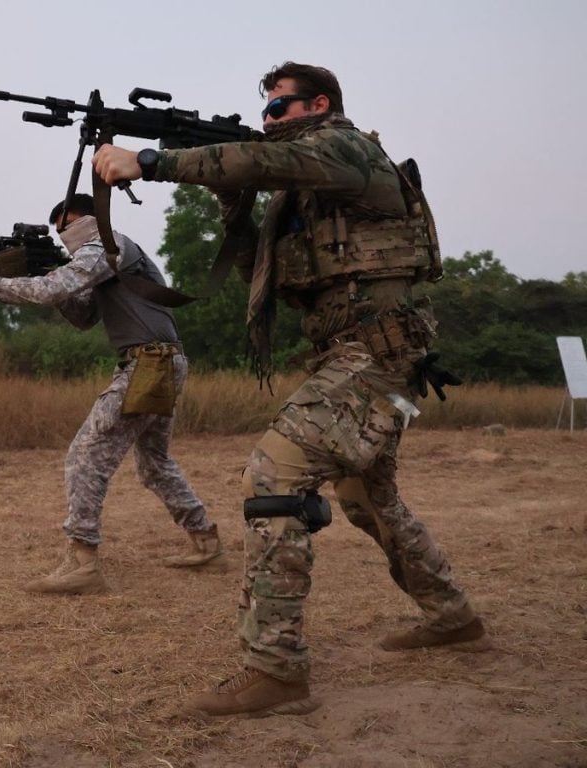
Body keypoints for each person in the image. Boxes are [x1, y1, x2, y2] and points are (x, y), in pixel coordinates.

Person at [93, 62, 486, 717]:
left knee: (274, 475)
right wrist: (232, 201)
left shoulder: (347, 149)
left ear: (321, 103)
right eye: (266, 112)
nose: (269, 120)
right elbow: (259, 275)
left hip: (379, 352)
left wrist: (153, 160)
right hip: (364, 354)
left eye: (281, 108)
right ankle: (451, 614)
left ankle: (275, 668)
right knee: (367, 498)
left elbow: (259, 159)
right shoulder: (296, 191)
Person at [0, 193, 226, 595]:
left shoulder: (107, 244)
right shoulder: (102, 257)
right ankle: (206, 541)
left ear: (91, 217)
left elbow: (52, 289)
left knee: (86, 455)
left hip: (148, 363)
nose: (65, 235)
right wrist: (45, 272)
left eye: (68, 224)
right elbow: (82, 314)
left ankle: (83, 561)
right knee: (154, 464)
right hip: (160, 362)